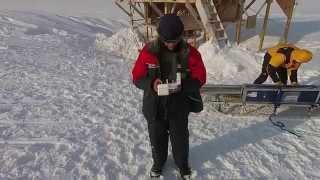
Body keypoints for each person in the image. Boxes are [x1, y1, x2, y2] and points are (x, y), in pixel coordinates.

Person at [131, 14, 206, 179]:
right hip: (154, 106)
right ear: (160, 36)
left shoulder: (190, 53)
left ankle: (183, 164)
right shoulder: (148, 51)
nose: (170, 45)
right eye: (167, 41)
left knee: (180, 138)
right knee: (157, 138)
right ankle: (158, 163)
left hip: (179, 106)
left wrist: (183, 86)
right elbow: (136, 77)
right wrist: (152, 84)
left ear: (181, 36)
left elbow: (201, 77)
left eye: (174, 41)